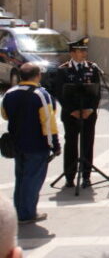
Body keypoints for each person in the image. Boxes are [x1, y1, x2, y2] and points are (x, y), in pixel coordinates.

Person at [1, 64, 59, 225]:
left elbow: (4, 115)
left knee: (20, 178)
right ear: (38, 76)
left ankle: (18, 211)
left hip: (17, 144)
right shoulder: (41, 95)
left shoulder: (9, 94)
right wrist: (55, 144)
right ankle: (27, 213)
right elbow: (48, 123)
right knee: (32, 180)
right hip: (37, 145)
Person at [52, 37, 102, 188]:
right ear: (72, 53)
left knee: (88, 143)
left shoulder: (92, 69)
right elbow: (59, 94)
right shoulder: (63, 70)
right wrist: (72, 110)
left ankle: (86, 175)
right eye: (80, 51)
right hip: (71, 114)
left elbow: (97, 93)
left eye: (84, 50)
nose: (84, 53)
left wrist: (90, 109)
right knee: (71, 144)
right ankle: (69, 176)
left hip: (88, 114)